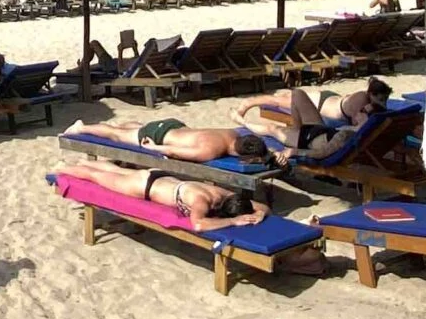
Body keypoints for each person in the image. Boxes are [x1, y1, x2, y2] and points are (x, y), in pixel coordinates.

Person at [53, 159, 270, 229]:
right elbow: (199, 224)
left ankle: (81, 160)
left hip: (157, 177)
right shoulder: (201, 201)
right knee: (95, 176)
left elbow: (263, 206)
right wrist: (233, 222)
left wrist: (259, 214)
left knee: (114, 170)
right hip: (142, 188)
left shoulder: (224, 193)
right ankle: (61, 169)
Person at [237, 76, 392, 146]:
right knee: (279, 100)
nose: (383, 103)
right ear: (371, 94)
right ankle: (248, 102)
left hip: (331, 102)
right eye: (381, 99)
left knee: (285, 97)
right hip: (321, 104)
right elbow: (355, 121)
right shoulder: (361, 99)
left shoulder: (370, 100)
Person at [63, 117, 276, 165]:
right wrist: (154, 148)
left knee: (129, 129)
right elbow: (174, 152)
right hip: (159, 135)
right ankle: (82, 127)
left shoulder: (234, 133)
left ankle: (126, 124)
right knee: (115, 135)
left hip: (174, 126)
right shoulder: (210, 150)